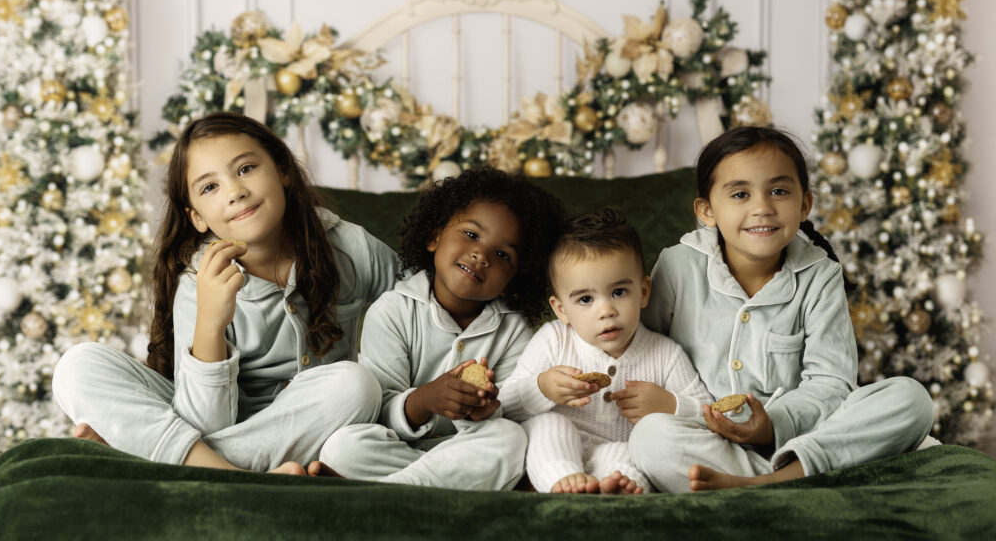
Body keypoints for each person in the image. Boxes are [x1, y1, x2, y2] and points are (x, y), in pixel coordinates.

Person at [52, 112, 399, 475]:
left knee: (355, 385)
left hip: (308, 424)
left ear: (282, 170)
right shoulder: (196, 282)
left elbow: (420, 304)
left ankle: (158, 462)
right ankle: (235, 478)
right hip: (213, 421)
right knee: (76, 365)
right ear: (197, 217)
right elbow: (206, 422)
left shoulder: (349, 247)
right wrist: (210, 324)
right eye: (209, 187)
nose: (235, 191)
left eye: (246, 168)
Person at [630, 125, 935, 493]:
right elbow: (644, 350)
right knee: (650, 437)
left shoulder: (820, 275)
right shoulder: (678, 266)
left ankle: (771, 482)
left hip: (800, 440)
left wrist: (772, 425)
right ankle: (778, 484)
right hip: (705, 438)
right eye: (740, 194)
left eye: (778, 191)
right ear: (707, 211)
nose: (762, 207)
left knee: (911, 398)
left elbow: (832, 383)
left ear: (804, 204)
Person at [315, 166, 565, 490]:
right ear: (434, 237)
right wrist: (424, 400)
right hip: (398, 449)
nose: (481, 255)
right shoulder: (391, 312)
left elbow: (512, 409)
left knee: (511, 439)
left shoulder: (515, 330)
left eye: (502, 254)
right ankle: (430, 490)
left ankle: (386, 493)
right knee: (342, 446)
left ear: (513, 281)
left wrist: (486, 409)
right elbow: (376, 411)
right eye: (472, 235)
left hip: (465, 452)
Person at [501, 208, 713, 495]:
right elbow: (502, 408)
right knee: (547, 425)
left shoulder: (665, 353)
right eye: (586, 299)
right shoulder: (553, 340)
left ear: (644, 291)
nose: (606, 311)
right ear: (561, 310)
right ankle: (562, 481)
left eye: (619, 292)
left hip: (621, 449)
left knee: (631, 452)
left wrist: (670, 404)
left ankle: (618, 486)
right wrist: (541, 388)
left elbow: (707, 415)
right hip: (561, 445)